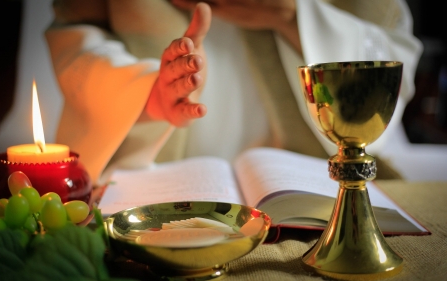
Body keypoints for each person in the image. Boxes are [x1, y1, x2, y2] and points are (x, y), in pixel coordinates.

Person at [45, 0, 423, 186]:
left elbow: (391, 60)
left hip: (315, 184)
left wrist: (291, 14)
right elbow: (78, 31)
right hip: (158, 174)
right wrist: (145, 94)